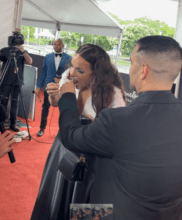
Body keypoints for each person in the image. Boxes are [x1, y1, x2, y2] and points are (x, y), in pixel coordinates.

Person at [58, 36, 182, 220]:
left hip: (105, 212)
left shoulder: (116, 120)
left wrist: (67, 97)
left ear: (143, 70)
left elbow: (69, 136)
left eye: (131, 62)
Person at [30, 44, 126, 220]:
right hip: (63, 147)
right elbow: (56, 104)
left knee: (82, 206)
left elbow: (115, 135)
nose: (72, 73)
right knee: (53, 198)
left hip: (91, 158)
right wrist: (53, 95)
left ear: (97, 73)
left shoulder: (113, 94)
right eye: (72, 65)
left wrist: (92, 124)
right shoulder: (67, 77)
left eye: (80, 70)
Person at [34, 39, 71, 136]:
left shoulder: (69, 58)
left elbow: (70, 73)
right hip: (48, 87)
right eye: (54, 44)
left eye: (58, 44)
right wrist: (38, 86)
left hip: (62, 87)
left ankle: (61, 131)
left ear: (63, 45)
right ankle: (42, 128)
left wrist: (63, 79)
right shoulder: (47, 57)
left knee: (62, 109)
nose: (56, 46)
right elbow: (43, 73)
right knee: (45, 107)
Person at [0, 36, 32, 132]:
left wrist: (23, 51)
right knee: (3, 102)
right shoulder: (5, 50)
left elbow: (30, 61)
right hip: (6, 81)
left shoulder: (23, 52)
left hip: (17, 81)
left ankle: (13, 123)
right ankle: (1, 123)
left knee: (15, 103)